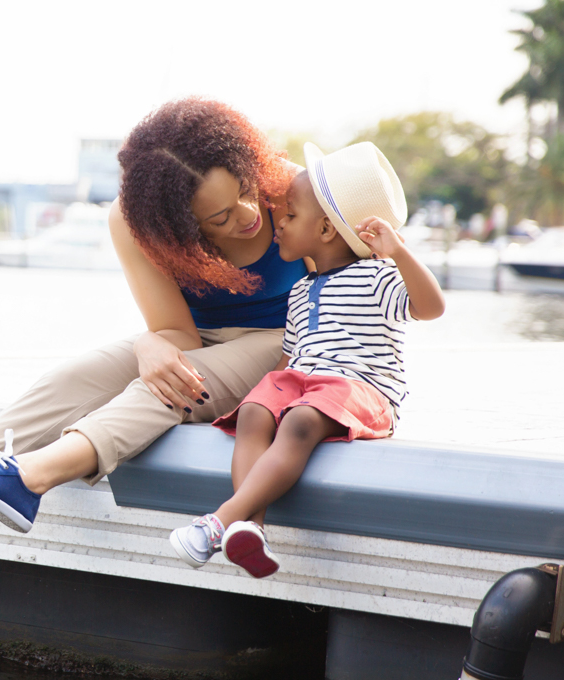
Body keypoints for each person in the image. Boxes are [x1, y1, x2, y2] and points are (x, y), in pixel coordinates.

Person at [0, 97, 311, 578]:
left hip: (288, 338)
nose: (249, 213)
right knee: (68, 381)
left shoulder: (295, 188)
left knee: (168, 386)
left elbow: (343, 302)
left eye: (245, 192)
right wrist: (150, 342)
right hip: (200, 338)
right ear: (179, 225)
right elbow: (177, 332)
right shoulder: (135, 223)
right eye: (220, 218)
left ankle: (29, 477)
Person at [168, 141, 446, 579]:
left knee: (299, 420)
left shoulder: (378, 276)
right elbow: (289, 359)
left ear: (326, 232)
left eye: (291, 216)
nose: (278, 223)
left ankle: (221, 521)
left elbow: (431, 308)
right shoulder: (301, 291)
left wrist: (399, 253)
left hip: (360, 390)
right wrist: (259, 397)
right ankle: (251, 530)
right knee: (257, 412)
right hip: (306, 383)